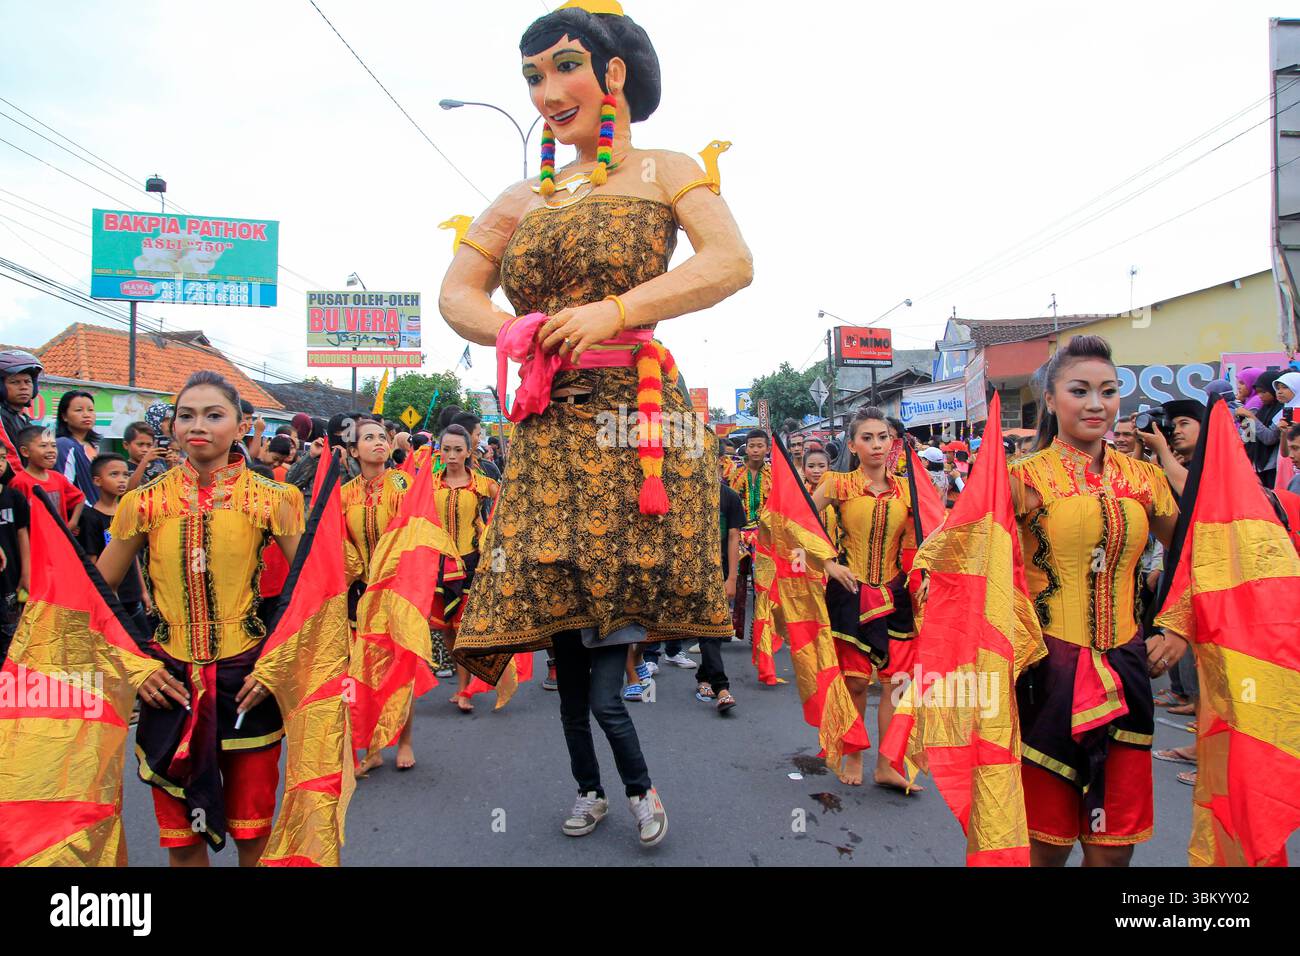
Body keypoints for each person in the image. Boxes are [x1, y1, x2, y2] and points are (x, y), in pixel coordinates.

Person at [438, 0, 751, 848]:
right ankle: (593, 786)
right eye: (532, 76)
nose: (546, 91)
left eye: (563, 67)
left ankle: (638, 780)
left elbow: (730, 263)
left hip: (635, 421)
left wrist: (618, 310)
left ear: (612, 73)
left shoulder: (665, 168)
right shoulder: (517, 196)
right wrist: (515, 329)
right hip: (546, 425)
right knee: (561, 639)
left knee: (612, 628)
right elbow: (456, 294)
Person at [96, 371, 304, 867]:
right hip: (169, 683)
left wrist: (277, 665)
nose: (198, 426)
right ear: (172, 426)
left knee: (253, 834)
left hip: (246, 678)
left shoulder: (276, 499)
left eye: (214, 415)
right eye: (186, 415)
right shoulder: (141, 503)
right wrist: (136, 667)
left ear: (241, 426)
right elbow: (91, 597)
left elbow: (318, 594)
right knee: (182, 841)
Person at [1008, 335, 1183, 866]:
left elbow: (1203, 549)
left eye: (1108, 392)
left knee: (1113, 848)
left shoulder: (1146, 479)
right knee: (1046, 844)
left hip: (1128, 667)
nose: (1095, 404)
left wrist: (1179, 624)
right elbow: (966, 568)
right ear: (1052, 399)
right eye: (1079, 390)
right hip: (1049, 672)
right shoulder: (1021, 479)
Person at [810, 407, 922, 790]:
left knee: (898, 683)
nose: (876, 445)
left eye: (883, 437)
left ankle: (887, 764)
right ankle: (853, 753)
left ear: (893, 442)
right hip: (851, 592)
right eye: (867, 438)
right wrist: (827, 563)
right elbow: (796, 520)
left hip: (896, 592)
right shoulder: (836, 484)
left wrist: (924, 576)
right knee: (856, 683)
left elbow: (930, 538)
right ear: (853, 444)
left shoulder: (909, 489)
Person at [341, 417, 415, 774]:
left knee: (399, 667)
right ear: (354, 450)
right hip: (359, 591)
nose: (379, 443)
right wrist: (355, 569)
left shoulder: (402, 483)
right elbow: (337, 541)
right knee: (361, 670)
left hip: (397, 588)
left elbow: (413, 531)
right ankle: (370, 747)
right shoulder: (345, 494)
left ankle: (404, 740)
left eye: (383, 437)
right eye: (368, 438)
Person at [431, 424, 500, 713]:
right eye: (446, 449)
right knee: (445, 628)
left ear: (468, 452)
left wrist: (494, 553)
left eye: (458, 450)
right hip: (437, 562)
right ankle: (462, 683)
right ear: (440, 451)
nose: (452, 455)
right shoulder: (429, 484)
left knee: (463, 628)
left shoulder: (483, 484)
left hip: (471, 561)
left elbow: (503, 513)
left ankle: (463, 689)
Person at [75, 453, 152, 642]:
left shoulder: (126, 514)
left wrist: (143, 591)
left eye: (125, 475)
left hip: (133, 594)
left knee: (146, 647)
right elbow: (92, 562)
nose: (121, 480)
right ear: (97, 480)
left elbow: (131, 556)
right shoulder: (90, 518)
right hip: (111, 599)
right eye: (114, 474)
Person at [696, 454, 742, 711]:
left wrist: (732, 578)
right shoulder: (688, 495)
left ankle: (704, 678)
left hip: (721, 571)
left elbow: (734, 537)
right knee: (709, 628)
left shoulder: (729, 497)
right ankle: (721, 686)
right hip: (695, 571)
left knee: (713, 629)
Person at [729, 429, 772, 643]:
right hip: (739, 533)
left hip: (765, 537)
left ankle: (761, 630)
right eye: (752, 446)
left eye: (759, 446)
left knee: (761, 585)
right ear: (746, 447)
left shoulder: (775, 475)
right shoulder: (734, 473)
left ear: (767, 448)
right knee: (734, 582)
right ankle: (731, 628)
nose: (755, 450)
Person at [10, 426, 85, 530]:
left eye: (54, 446)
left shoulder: (58, 478)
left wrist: (72, 523)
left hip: (60, 539)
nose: (51, 450)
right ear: (25, 452)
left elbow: (79, 498)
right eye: (43, 446)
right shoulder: (19, 482)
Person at [0, 456, 30, 662]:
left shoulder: (14, 497)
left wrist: (27, 573)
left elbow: (23, 534)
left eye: (2, 458)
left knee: (14, 632)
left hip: (14, 579)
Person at [1237, 369, 1287, 488]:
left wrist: (1251, 417)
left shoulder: (1282, 411)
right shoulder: (1264, 409)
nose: (1260, 396)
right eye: (1258, 392)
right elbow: (1250, 438)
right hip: (1258, 464)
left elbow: (1269, 438)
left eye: (1264, 392)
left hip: (1272, 467)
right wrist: (1245, 424)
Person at [54, 389, 101, 506]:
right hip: (82, 516)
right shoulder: (63, 445)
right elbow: (65, 488)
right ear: (64, 416)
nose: (86, 414)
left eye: (90, 410)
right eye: (79, 410)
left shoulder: (94, 446)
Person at [0, 350, 41, 460]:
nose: (23, 387)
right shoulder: (2, 420)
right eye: (15, 382)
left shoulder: (25, 420)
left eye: (27, 381)